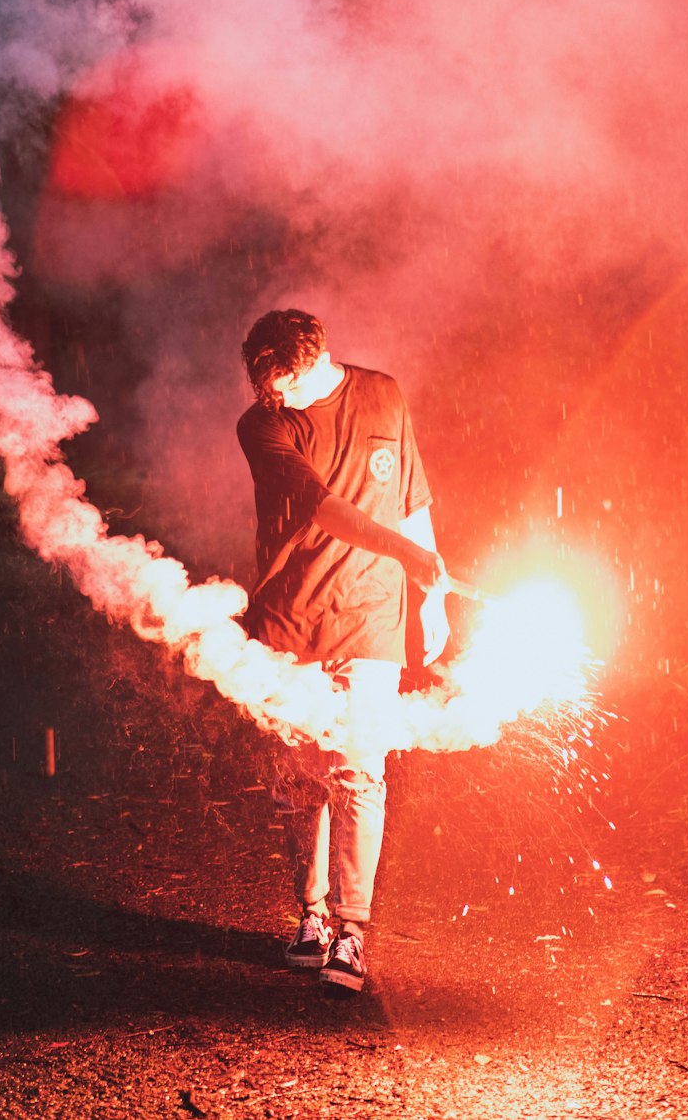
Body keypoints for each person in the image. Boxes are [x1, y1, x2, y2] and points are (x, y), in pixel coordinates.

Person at [237, 308, 449, 994]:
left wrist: (432, 596)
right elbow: (323, 507)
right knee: (299, 780)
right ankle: (311, 916)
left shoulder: (384, 393)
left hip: (370, 619)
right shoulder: (262, 424)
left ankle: (352, 933)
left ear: (317, 358)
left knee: (359, 770)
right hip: (289, 619)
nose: (272, 395)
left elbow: (412, 503)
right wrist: (410, 556)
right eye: (263, 383)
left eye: (282, 382)